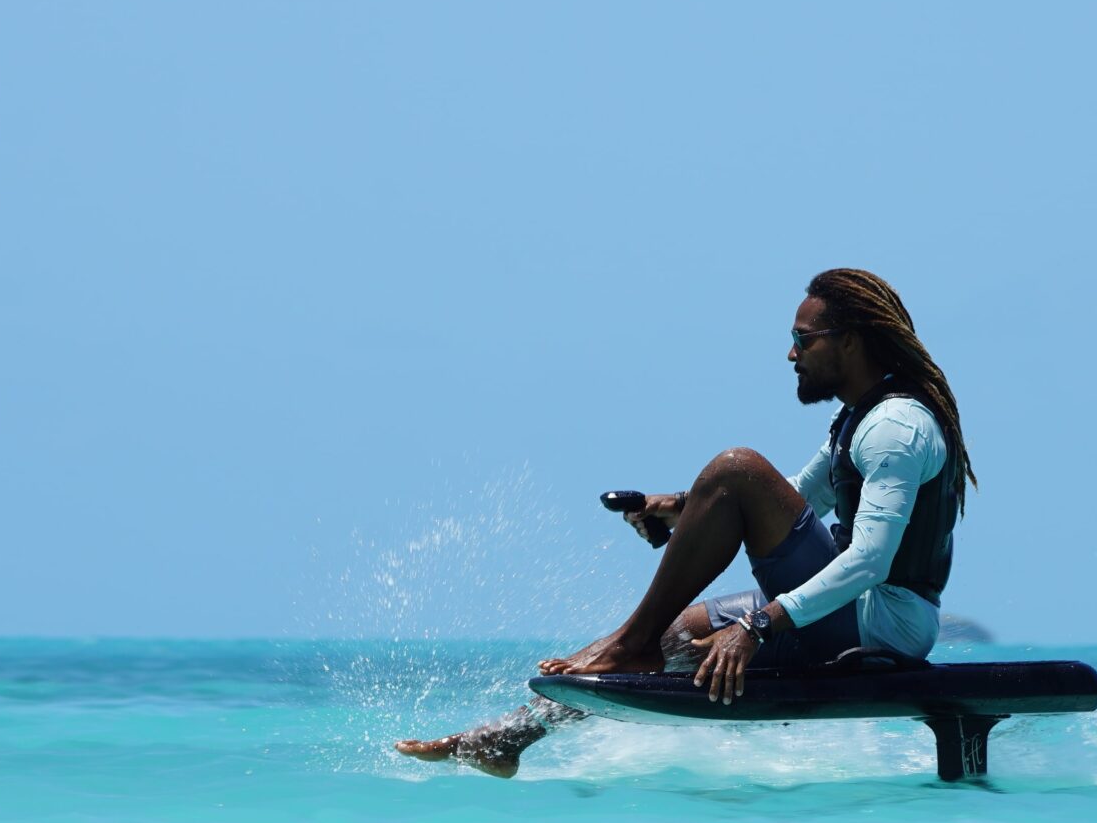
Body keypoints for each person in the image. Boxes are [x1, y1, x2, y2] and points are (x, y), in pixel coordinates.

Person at [395, 267, 978, 776]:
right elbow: (802, 500)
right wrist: (678, 506)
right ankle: (505, 740)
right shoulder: (860, 418)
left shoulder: (897, 428)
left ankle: (629, 644)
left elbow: (871, 560)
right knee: (675, 635)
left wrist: (756, 627)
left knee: (738, 469)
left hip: (885, 625)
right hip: (851, 612)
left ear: (849, 343)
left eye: (803, 339)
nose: (791, 354)